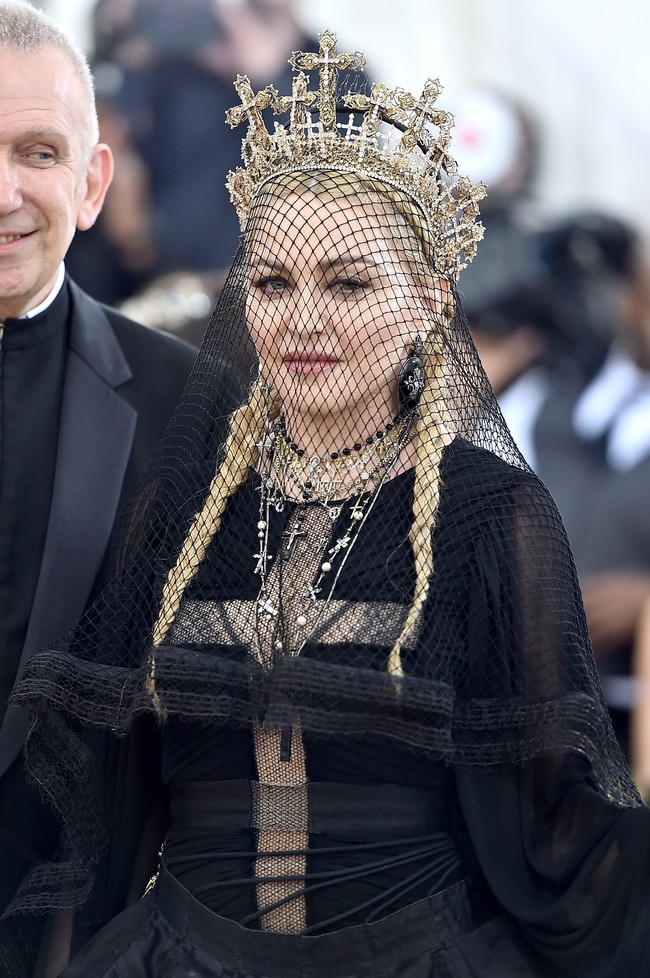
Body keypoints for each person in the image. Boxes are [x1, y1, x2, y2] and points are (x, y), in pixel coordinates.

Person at [5, 29, 650, 978]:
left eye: (349, 283)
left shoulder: (492, 514)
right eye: (271, 281)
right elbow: (111, 798)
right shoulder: (177, 512)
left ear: (430, 299)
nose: (304, 319)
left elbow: (557, 814)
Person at [0, 0, 200, 963]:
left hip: (81, 932)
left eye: (38, 153)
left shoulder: (192, 404)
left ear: (92, 183)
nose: (4, 190)